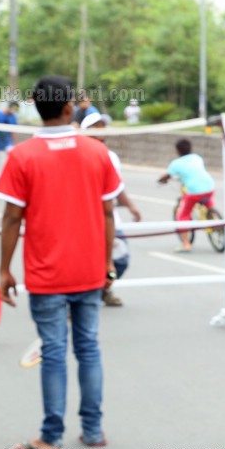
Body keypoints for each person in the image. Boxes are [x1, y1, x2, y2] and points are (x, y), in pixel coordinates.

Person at [0, 75, 122, 449]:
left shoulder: (22, 156)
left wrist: (4, 269)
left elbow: (11, 219)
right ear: (70, 108)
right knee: (89, 348)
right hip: (88, 272)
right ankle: (94, 431)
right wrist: (106, 266)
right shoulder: (96, 152)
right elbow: (108, 214)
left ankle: (49, 437)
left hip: (46, 274)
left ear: (36, 105)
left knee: (52, 351)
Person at [81, 113, 142, 306]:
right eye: (95, 126)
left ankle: (103, 289)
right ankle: (79, 297)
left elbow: (116, 187)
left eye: (102, 125)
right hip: (85, 218)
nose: (100, 129)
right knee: (84, 261)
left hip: (109, 217)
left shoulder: (111, 156)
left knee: (120, 259)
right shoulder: (77, 153)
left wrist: (131, 207)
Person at [157, 138, 216, 253]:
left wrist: (161, 180)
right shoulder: (197, 157)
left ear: (177, 150)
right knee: (207, 200)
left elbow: (167, 175)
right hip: (210, 186)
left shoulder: (176, 163)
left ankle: (186, 244)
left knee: (182, 216)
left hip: (194, 191)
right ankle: (213, 216)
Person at [0, 100, 19, 188]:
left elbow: (14, 131)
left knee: (13, 158)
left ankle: (12, 180)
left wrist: (14, 144)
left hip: (7, 142)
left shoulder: (13, 116)